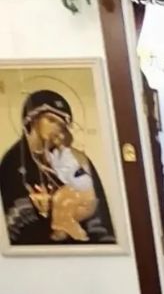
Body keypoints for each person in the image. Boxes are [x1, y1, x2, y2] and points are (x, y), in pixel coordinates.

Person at [0, 89, 116, 246]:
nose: (57, 128)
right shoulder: (13, 162)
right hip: (39, 249)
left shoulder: (73, 158)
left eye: (61, 124)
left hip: (83, 248)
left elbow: (98, 213)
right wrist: (44, 212)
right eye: (51, 120)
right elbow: (15, 222)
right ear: (32, 119)